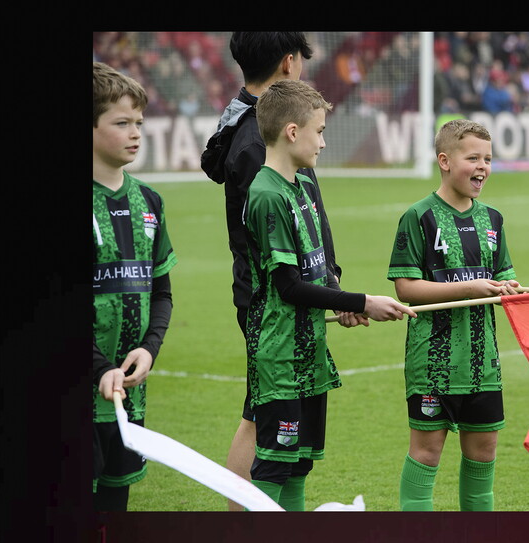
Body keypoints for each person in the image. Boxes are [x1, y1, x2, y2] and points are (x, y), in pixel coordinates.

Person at [243, 79, 416, 511]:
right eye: (319, 131)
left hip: (309, 347)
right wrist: (362, 303)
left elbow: (315, 269)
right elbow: (287, 286)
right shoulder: (266, 194)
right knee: (275, 464)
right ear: (292, 132)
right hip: (279, 352)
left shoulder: (302, 186)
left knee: (299, 463)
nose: (324, 141)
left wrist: (338, 301)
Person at [200, 32, 351, 511]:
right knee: (263, 425)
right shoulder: (260, 145)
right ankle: (245, 518)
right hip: (273, 303)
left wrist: (329, 280)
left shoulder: (250, 121)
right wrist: (330, 290)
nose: (322, 141)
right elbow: (271, 239)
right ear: (289, 63)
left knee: (276, 432)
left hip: (295, 293)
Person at [387, 119, 520, 511]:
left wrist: (510, 287)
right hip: (433, 362)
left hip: (484, 364)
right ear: (444, 160)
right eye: (473, 158)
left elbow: (505, 274)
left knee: (484, 451)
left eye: (489, 159)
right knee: (427, 452)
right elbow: (406, 288)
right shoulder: (420, 217)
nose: (483, 167)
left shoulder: (493, 220)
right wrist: (472, 288)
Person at [92, 61, 177, 511]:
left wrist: (149, 347)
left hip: (129, 392)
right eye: (121, 122)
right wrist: (96, 367)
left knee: (114, 506)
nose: (135, 133)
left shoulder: (150, 201)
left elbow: (161, 292)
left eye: (139, 123)